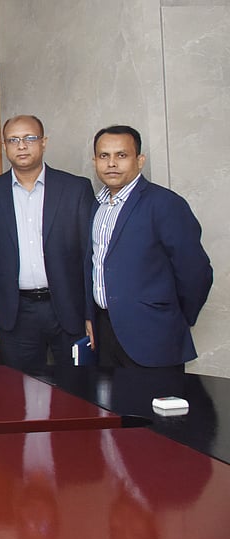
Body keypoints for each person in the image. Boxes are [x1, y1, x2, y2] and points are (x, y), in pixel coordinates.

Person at [0, 115, 93, 374]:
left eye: (30, 138)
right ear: (4, 146)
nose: (22, 146)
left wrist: (90, 314)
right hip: (16, 312)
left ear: (44, 142)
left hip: (67, 308)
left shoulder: (75, 189)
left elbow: (88, 257)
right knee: (22, 388)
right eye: (13, 140)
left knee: (77, 387)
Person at [85, 125, 213, 369]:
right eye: (104, 156)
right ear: (95, 161)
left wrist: (173, 318)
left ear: (140, 160)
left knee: (155, 395)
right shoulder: (98, 206)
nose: (111, 163)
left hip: (154, 334)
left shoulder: (165, 203)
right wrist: (91, 316)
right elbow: (95, 265)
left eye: (121, 155)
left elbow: (195, 271)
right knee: (110, 396)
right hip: (105, 333)